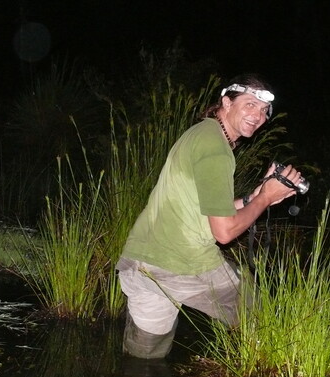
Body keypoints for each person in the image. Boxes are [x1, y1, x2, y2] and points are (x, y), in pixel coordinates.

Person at [116, 74, 303, 359]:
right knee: (258, 311)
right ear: (226, 102)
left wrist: (257, 194)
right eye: (250, 104)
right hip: (181, 264)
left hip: (142, 262)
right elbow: (224, 232)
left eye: (264, 111)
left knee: (144, 362)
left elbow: (210, 207)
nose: (258, 115)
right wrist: (266, 199)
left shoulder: (201, 135)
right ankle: (266, 376)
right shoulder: (216, 149)